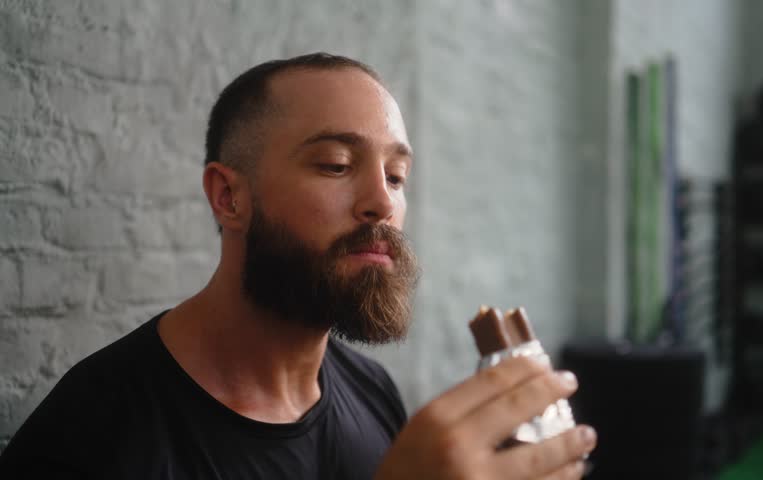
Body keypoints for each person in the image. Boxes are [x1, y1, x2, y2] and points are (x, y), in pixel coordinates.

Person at [0, 53, 596, 479]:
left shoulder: (372, 392)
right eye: (336, 165)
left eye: (397, 176)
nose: (383, 202)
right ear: (229, 197)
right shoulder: (95, 438)